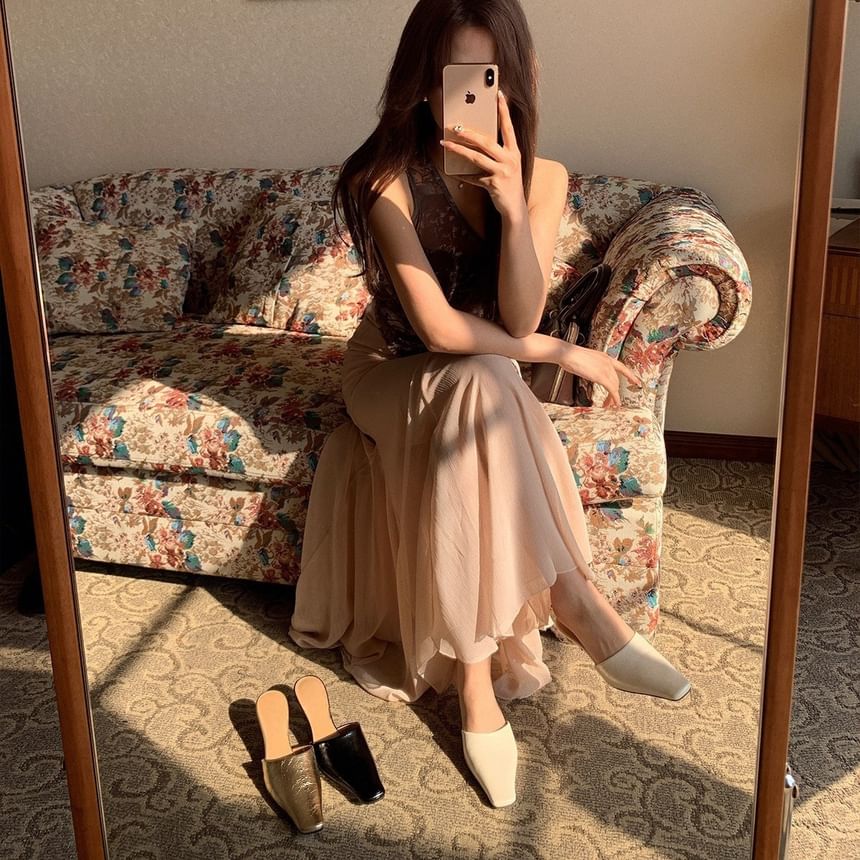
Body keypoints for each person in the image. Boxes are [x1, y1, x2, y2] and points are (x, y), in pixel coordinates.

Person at [288, 0, 690, 808]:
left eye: (492, 77)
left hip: (480, 375)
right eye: (458, 80)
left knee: (483, 378)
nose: (476, 98)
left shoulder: (544, 178)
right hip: (390, 370)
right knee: (486, 373)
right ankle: (578, 603)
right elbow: (438, 329)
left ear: (524, 76)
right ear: (422, 85)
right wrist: (563, 353)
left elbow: (517, 317)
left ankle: (476, 689)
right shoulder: (383, 179)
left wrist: (512, 207)